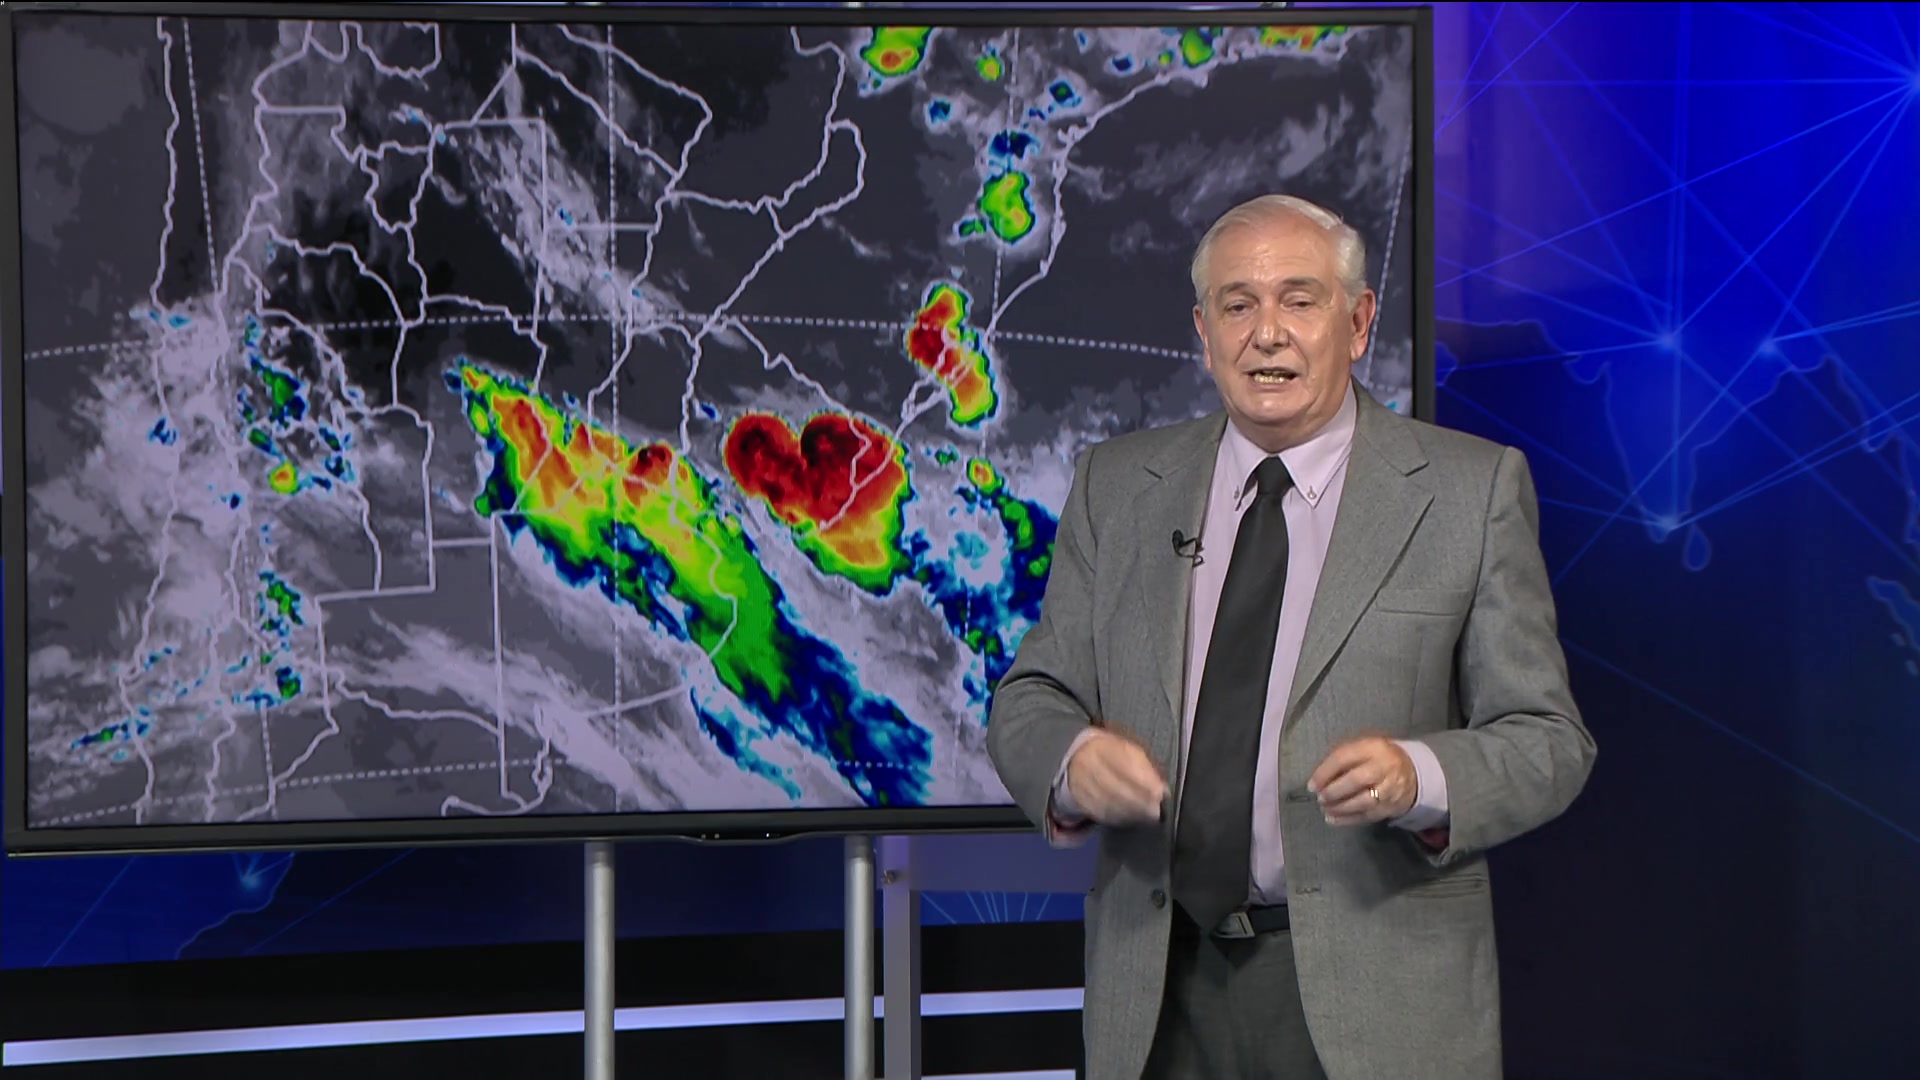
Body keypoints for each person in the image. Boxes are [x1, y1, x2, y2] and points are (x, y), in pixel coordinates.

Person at [986, 193, 1597, 1080]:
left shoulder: (1468, 493)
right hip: (1157, 993)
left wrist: (1420, 777)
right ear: (1205, 334)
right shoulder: (1117, 488)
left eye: (1298, 301)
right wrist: (1072, 762)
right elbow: (1031, 697)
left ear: (1359, 323)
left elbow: (1549, 740)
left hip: (1377, 1001)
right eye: (1238, 305)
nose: (1266, 333)